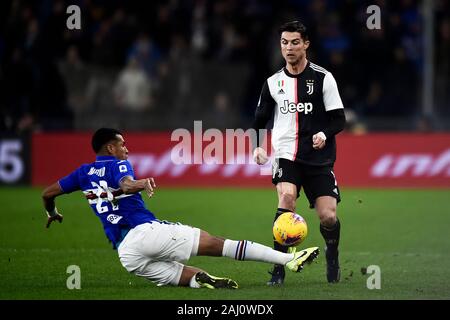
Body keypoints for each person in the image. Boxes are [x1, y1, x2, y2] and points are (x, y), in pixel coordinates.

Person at [42, 128, 320, 289]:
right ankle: (288, 260)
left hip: (126, 254)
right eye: (122, 143)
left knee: (179, 274)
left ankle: (202, 280)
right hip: (143, 232)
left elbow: (48, 193)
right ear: (110, 147)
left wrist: (51, 211)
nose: (126, 148)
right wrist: (139, 183)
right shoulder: (117, 164)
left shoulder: (82, 173)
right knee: (219, 244)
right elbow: (125, 185)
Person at [252, 21, 346, 285]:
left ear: (306, 44)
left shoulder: (323, 78)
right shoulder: (272, 83)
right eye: (284, 42)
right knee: (287, 197)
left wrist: (324, 134)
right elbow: (259, 120)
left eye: (295, 42)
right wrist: (258, 146)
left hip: (319, 158)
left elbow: (339, 119)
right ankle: (279, 268)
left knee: (328, 216)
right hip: (286, 154)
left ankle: (332, 253)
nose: (289, 47)